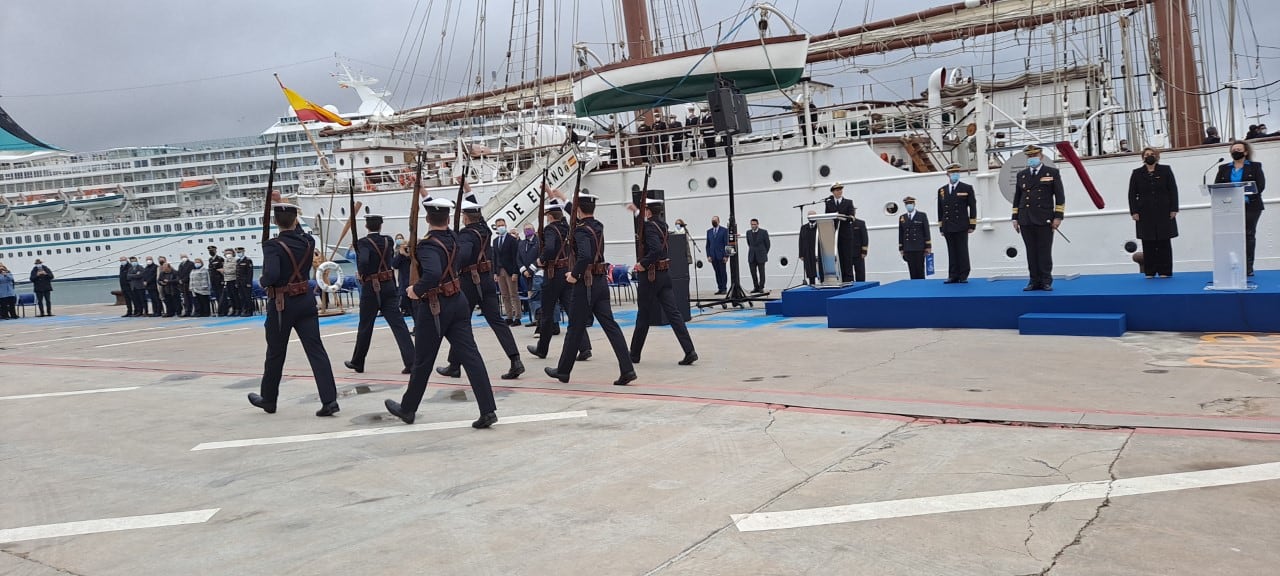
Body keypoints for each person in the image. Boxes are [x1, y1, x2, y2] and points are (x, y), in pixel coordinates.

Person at [384, 197, 498, 429]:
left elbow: (433, 273)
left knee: (423, 361)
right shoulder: (454, 239)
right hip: (458, 300)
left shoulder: (428, 244)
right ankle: (488, 409)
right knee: (471, 357)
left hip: (436, 305)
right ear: (448, 218)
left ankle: (408, 408)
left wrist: (415, 290)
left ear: (427, 218)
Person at [248, 203, 340, 418]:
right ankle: (330, 399)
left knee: (275, 352)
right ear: (295, 220)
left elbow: (271, 275)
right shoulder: (309, 241)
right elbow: (296, 232)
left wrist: (262, 280)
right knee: (316, 350)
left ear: (275, 222)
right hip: (306, 300)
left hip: (282, 303)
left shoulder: (273, 245)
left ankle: (269, 399)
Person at [543, 193, 637, 386]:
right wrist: (564, 200)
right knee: (611, 326)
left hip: (585, 284)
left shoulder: (580, 231)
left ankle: (563, 371)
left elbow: (585, 256)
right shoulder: (597, 226)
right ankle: (627, 369)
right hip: (601, 282)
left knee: (574, 328)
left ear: (578, 211)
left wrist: (574, 275)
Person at [436, 194, 525, 380]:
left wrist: (454, 263)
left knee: (459, 322)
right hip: (486, 281)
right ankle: (515, 359)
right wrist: (468, 192)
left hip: (470, 282)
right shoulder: (485, 230)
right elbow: (480, 217)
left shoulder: (467, 234)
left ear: (466, 218)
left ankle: (454, 365)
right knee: (497, 322)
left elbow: (464, 256)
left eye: (463, 216)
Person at [344, 214, 417, 375]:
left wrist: (362, 274)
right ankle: (411, 361)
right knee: (398, 325)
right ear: (381, 226)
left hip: (372, 287)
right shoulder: (388, 241)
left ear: (366, 226)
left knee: (365, 326)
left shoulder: (363, 243)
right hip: (388, 285)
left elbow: (363, 261)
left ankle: (358, 361)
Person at [629, 198, 697, 366]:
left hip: (651, 276)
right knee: (674, 314)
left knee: (643, 315)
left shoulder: (649, 227)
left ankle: (634, 354)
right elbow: (649, 227)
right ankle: (689, 350)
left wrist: (642, 264)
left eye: (645, 210)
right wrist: (637, 212)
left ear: (649, 211)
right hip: (664, 275)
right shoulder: (663, 225)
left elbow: (656, 249)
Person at [527, 197, 591, 359]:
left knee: (547, 313)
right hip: (566, 273)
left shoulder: (550, 229)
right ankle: (584, 347)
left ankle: (542, 349)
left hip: (552, 274)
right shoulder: (566, 227)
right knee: (572, 311)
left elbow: (549, 249)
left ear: (549, 216)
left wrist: (537, 263)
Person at [1012, 144, 1065, 291]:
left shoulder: (1052, 173)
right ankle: (1033, 280)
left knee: (1044, 250)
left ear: (1041, 156)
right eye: (1029, 156)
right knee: (1031, 251)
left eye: (1034, 155)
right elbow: (1018, 197)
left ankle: (1046, 280)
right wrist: (1015, 218)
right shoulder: (1021, 175)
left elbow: (1060, 197)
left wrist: (1058, 217)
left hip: (1044, 218)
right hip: (1025, 218)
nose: (1032, 158)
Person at [1214, 140, 1266, 276]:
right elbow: (1217, 186)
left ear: (1245, 152)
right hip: (1230, 207)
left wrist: (1242, 192)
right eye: (1233, 150)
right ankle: (1232, 264)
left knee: (1248, 235)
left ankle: (1248, 267)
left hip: (1251, 206)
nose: (1235, 152)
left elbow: (1260, 186)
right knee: (1231, 236)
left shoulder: (1255, 166)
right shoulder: (1223, 168)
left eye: (1239, 149)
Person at [1129, 147, 1179, 278]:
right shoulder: (1137, 173)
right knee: (1148, 241)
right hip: (1144, 212)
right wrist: (1134, 211)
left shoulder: (1166, 170)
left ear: (1157, 156)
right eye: (1146, 155)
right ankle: (1150, 271)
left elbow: (1173, 190)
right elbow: (1132, 194)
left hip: (1164, 210)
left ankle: (1165, 271)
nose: (1149, 156)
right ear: (1143, 157)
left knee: (1164, 241)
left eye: (1152, 154)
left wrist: (1174, 208)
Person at [937, 163, 977, 283]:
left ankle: (964, 274)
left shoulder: (966, 188)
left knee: (962, 250)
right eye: (952, 173)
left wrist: (972, 224)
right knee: (951, 250)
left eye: (957, 173)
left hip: (961, 224)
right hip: (948, 225)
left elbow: (972, 207)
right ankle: (953, 274)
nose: (955, 175)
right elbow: (940, 210)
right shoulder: (942, 190)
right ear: (947, 174)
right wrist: (941, 227)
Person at [491, 217, 522, 325]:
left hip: (510, 270)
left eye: (502, 225)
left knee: (513, 294)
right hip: (500, 271)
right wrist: (495, 272)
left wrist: (515, 272)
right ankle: (509, 316)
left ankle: (517, 316)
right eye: (498, 226)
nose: (501, 227)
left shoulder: (511, 240)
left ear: (505, 225)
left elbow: (515, 257)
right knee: (504, 295)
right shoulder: (495, 241)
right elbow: (494, 257)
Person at [825, 183, 857, 282]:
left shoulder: (848, 202)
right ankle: (842, 278)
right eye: (837, 190)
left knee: (847, 257)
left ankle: (849, 279)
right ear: (833, 192)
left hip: (846, 233)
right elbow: (827, 216)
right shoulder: (829, 203)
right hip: (835, 234)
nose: (839, 192)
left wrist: (842, 217)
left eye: (840, 190)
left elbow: (852, 216)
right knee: (839, 258)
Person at [898, 196, 931, 279]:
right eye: (907, 204)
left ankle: (922, 287)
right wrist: (901, 248)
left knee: (920, 269)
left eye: (910, 203)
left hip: (919, 247)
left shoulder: (922, 215)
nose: (909, 205)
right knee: (912, 270)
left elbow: (926, 231)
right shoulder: (903, 217)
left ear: (914, 204)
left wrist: (928, 246)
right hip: (908, 248)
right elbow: (901, 233)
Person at [518, 222, 542, 326]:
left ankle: (540, 319)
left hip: (537, 273)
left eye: (529, 229)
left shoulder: (539, 242)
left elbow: (540, 257)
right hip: (526, 275)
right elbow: (518, 258)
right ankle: (534, 319)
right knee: (530, 296)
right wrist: (524, 271)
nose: (527, 231)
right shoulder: (522, 243)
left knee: (538, 297)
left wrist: (531, 270)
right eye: (525, 229)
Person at [745, 218, 771, 294]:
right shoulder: (748, 233)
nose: (753, 226)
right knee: (753, 272)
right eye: (752, 224)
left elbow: (768, 244)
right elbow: (749, 243)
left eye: (754, 224)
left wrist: (764, 253)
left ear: (757, 224)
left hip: (761, 256)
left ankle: (761, 287)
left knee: (761, 272)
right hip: (752, 256)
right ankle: (755, 287)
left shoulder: (763, 232)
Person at [391, 233, 413, 317]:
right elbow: (394, 264)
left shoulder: (413, 253)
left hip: (412, 280)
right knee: (404, 300)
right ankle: (405, 310)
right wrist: (401, 254)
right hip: (403, 281)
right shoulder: (397, 253)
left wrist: (408, 254)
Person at [706, 216, 729, 294]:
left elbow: (727, 243)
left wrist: (726, 256)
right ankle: (719, 288)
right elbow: (708, 245)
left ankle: (724, 288)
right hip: (713, 256)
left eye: (715, 220)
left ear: (719, 221)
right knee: (717, 272)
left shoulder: (724, 230)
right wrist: (708, 255)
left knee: (722, 272)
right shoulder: (709, 231)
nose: (713, 222)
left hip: (721, 255)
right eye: (712, 220)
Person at [798, 211, 819, 285]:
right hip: (807, 252)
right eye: (810, 216)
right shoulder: (804, 227)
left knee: (819, 269)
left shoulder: (820, 226)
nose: (812, 218)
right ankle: (812, 285)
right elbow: (801, 241)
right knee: (810, 271)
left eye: (813, 216)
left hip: (817, 252)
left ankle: (822, 284)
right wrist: (801, 254)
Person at [850, 206, 869, 282]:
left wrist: (864, 251)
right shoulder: (843, 224)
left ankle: (861, 286)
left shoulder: (860, 223)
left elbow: (865, 237)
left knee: (860, 272)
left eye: (853, 211)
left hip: (858, 252)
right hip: (847, 253)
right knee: (848, 273)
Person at [219, 249, 239, 316]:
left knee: (235, 296)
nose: (228, 254)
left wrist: (225, 271)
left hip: (233, 279)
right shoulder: (225, 261)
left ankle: (238, 309)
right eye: (226, 253)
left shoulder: (235, 261)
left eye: (229, 253)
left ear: (233, 253)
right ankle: (233, 309)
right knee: (230, 296)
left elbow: (234, 270)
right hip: (227, 280)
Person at [235, 247, 254, 317]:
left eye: (240, 252)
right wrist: (237, 283)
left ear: (243, 252)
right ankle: (244, 310)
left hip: (246, 283)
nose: (238, 253)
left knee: (247, 297)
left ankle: (249, 311)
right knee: (242, 297)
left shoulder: (248, 260)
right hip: (240, 283)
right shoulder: (237, 261)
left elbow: (250, 273)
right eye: (238, 252)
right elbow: (237, 273)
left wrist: (249, 282)